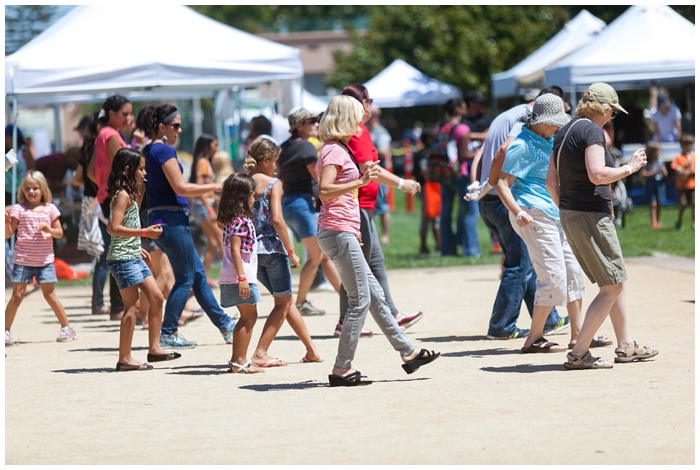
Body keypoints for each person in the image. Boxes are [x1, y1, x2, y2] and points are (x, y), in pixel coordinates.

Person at [316, 95, 440, 387]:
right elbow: (324, 191)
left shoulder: (340, 148)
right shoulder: (334, 151)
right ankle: (341, 370)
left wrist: (354, 222)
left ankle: (409, 353)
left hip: (342, 230)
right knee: (360, 301)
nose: (361, 122)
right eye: (358, 116)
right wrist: (360, 181)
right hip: (337, 232)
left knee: (376, 297)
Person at [547, 82, 658, 369]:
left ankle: (625, 346)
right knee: (611, 287)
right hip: (589, 215)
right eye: (613, 112)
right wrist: (630, 168)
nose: (612, 117)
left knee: (615, 282)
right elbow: (597, 174)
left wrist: (566, 208)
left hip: (573, 213)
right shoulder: (593, 131)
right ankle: (578, 353)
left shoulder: (565, 131)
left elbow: (551, 182)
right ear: (605, 109)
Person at [495, 93, 606, 353]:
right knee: (552, 276)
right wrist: (517, 212)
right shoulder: (522, 144)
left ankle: (579, 335)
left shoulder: (549, 139)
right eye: (554, 122)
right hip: (531, 213)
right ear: (541, 120)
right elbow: (501, 184)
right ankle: (534, 338)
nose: (558, 127)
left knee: (574, 272)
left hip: (556, 213)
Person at [465, 89, 568, 340]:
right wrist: (490, 185)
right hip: (506, 200)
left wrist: (478, 183)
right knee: (520, 264)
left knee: (528, 262)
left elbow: (481, 152)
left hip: (489, 199)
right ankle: (501, 326)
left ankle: (549, 319)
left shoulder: (507, 114)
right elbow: (502, 151)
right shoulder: (525, 120)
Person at [136, 103, 237, 349]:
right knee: (184, 278)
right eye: (176, 125)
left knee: (198, 276)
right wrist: (215, 187)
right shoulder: (164, 151)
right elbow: (181, 187)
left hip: (161, 217)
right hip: (171, 218)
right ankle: (168, 331)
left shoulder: (148, 150)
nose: (179, 130)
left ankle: (224, 324)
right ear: (161, 127)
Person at [337, 83, 425, 338]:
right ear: (360, 103)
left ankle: (365, 316)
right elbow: (369, 168)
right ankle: (373, 316)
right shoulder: (356, 130)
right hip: (359, 205)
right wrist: (401, 183)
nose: (371, 105)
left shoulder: (357, 129)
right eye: (369, 100)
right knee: (361, 265)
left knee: (370, 262)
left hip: (362, 205)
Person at [245, 137, 321, 365]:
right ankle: (260, 352)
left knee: (284, 300)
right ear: (266, 160)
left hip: (250, 252)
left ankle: (311, 350)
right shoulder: (273, 183)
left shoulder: (242, 181)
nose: (277, 167)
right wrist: (290, 250)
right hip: (272, 250)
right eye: (275, 162)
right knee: (283, 302)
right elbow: (277, 219)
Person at [106, 148, 181, 371]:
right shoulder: (122, 195)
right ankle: (124, 358)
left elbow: (123, 227)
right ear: (129, 169)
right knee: (133, 306)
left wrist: (137, 246)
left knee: (157, 297)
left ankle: (154, 349)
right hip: (122, 258)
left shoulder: (131, 193)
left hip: (131, 254)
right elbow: (114, 228)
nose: (144, 171)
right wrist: (144, 234)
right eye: (141, 168)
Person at [278, 108, 341, 317]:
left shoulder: (284, 147)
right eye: (311, 121)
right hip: (303, 203)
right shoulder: (305, 147)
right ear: (299, 126)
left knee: (321, 255)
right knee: (316, 256)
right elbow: (319, 178)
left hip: (289, 203)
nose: (316, 124)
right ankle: (301, 301)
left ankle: (346, 295)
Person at [5, 170, 76, 345]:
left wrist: (49, 230)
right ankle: (5, 330)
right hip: (23, 260)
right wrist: (6, 221)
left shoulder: (50, 208)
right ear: (23, 190)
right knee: (17, 296)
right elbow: (8, 234)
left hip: (44, 261)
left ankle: (66, 327)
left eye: (35, 188)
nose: (31, 192)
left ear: (43, 189)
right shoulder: (18, 209)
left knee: (50, 295)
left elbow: (59, 233)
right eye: (27, 188)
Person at [88, 95, 132, 321]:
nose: (128, 118)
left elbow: (90, 172)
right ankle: (119, 306)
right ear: (112, 113)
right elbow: (125, 166)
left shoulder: (102, 134)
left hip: (107, 197)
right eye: (124, 114)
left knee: (116, 249)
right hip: (116, 198)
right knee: (122, 250)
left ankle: (118, 306)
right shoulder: (111, 135)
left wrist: (103, 188)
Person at [216, 173, 263, 373]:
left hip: (232, 275)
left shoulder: (231, 220)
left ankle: (237, 359)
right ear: (243, 197)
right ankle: (239, 360)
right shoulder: (241, 221)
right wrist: (242, 278)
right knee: (249, 318)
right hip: (240, 276)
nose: (254, 199)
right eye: (252, 195)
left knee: (246, 317)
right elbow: (235, 249)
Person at [431, 98, 476, 256]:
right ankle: (470, 249)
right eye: (463, 107)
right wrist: (478, 153)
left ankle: (447, 248)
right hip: (461, 173)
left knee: (446, 213)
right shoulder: (462, 128)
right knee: (470, 212)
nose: (466, 110)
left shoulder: (440, 127)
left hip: (444, 174)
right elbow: (465, 154)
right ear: (457, 109)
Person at [188, 134, 224, 284]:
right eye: (215, 145)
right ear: (208, 147)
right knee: (222, 240)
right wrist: (209, 208)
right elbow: (200, 187)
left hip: (202, 205)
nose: (217, 149)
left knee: (213, 243)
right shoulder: (203, 162)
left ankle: (203, 278)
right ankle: (232, 276)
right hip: (203, 206)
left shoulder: (204, 162)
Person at [368, 106, 393, 245]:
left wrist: (366, 150)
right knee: (370, 206)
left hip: (380, 173)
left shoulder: (381, 132)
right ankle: (373, 234)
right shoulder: (369, 131)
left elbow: (384, 152)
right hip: (370, 173)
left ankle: (384, 236)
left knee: (383, 207)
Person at [413, 129, 440, 254]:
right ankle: (428, 245)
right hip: (428, 188)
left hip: (425, 187)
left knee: (431, 217)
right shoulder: (426, 153)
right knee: (431, 216)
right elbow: (425, 171)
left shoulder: (420, 152)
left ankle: (437, 245)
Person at [5, 124, 35, 205]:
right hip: (7, 193)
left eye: (5, 136)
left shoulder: (24, 152)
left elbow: (32, 172)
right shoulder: (9, 153)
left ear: (10, 137)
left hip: (21, 193)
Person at [639, 141, 667, 229]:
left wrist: (664, 172)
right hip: (650, 184)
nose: (659, 153)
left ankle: (658, 221)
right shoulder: (646, 162)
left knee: (659, 203)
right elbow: (643, 174)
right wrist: (653, 173)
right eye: (657, 151)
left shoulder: (661, 161)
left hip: (659, 184)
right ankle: (654, 222)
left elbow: (666, 174)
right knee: (653, 203)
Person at [671, 134, 695, 230]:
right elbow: (675, 168)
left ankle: (694, 223)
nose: (689, 146)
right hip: (682, 186)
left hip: (693, 185)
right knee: (683, 204)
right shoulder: (679, 157)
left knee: (695, 204)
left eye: (691, 144)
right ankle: (679, 221)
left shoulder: (694, 157)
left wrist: (690, 172)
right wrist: (685, 169)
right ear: (682, 145)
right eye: (686, 144)